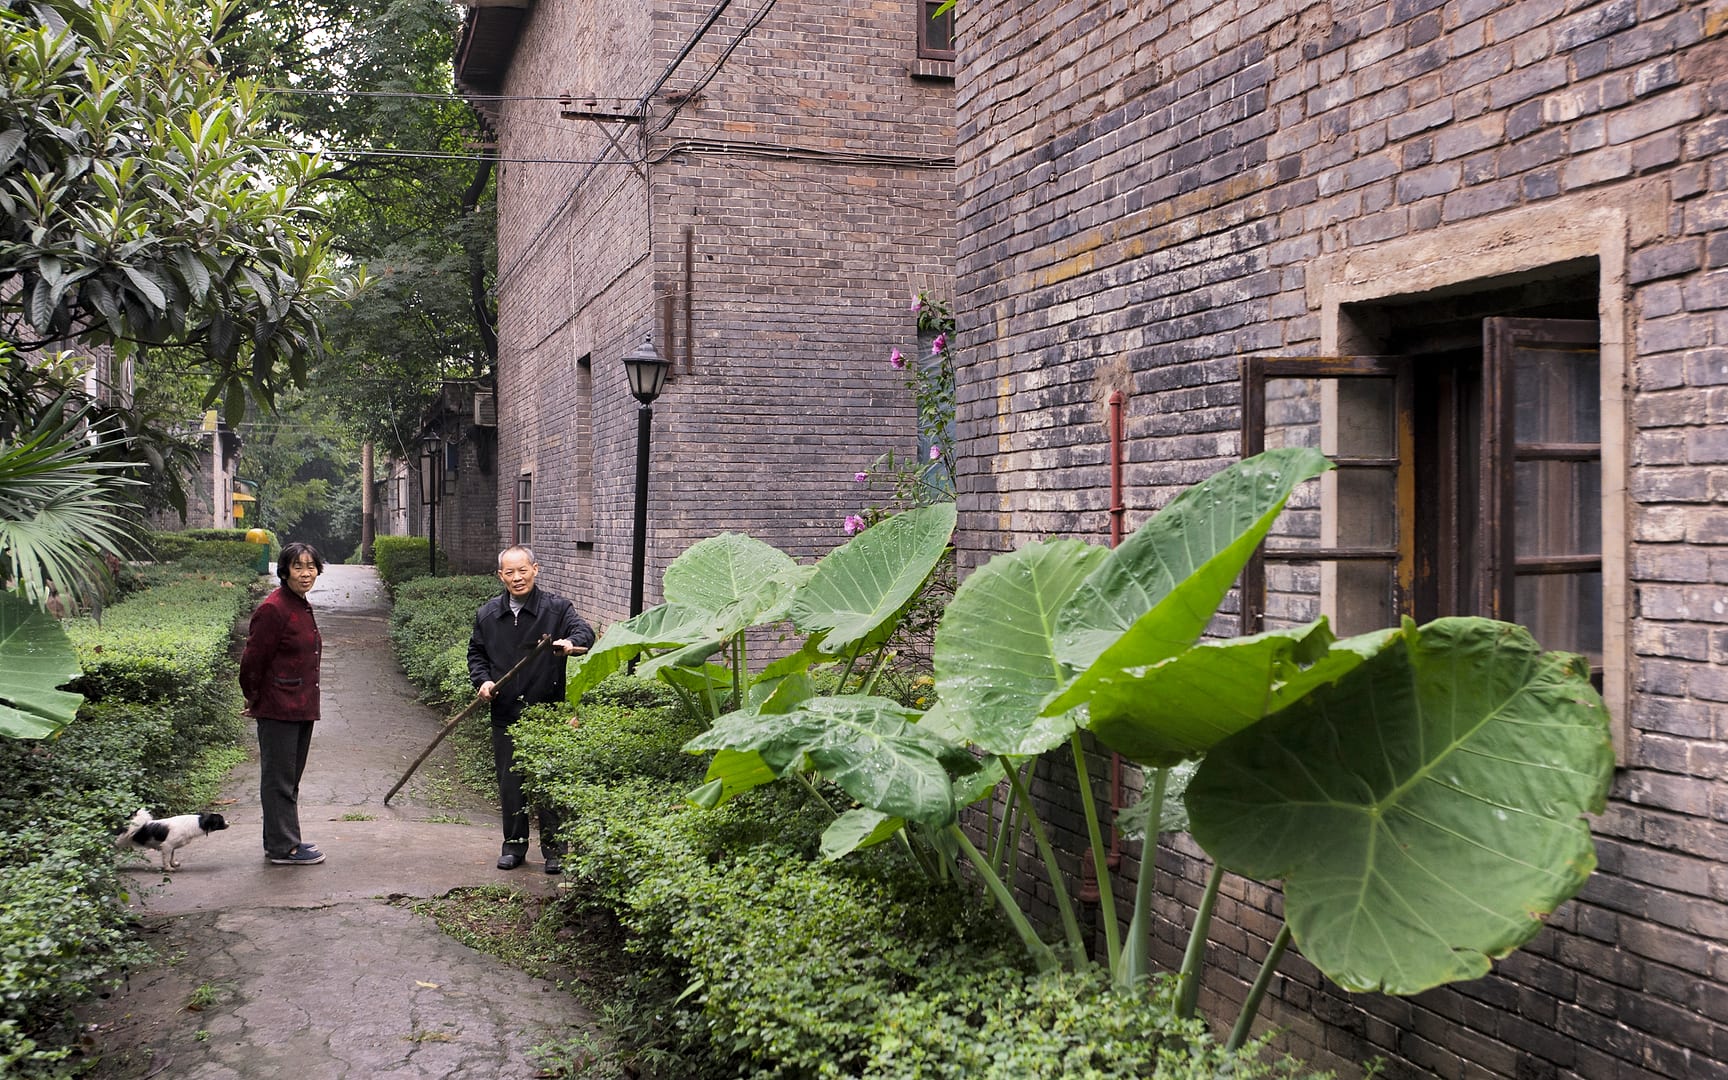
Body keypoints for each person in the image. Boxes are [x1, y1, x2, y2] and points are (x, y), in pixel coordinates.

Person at [467, 545, 594, 874]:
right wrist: (482, 682)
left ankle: (555, 851)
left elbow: (584, 633)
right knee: (511, 782)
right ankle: (514, 847)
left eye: (522, 570)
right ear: (500, 576)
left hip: (547, 714)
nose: (517, 577)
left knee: (548, 782)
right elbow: (477, 655)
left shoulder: (557, 609)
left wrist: (570, 643)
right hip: (506, 711)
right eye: (509, 572)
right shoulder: (488, 614)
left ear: (535, 570)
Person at [239, 542, 326, 866]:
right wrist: (254, 697)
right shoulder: (274, 608)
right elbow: (252, 661)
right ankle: (282, 848)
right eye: (298, 567)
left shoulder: (299, 604)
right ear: (285, 571)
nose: (306, 574)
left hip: (301, 705)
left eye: (311, 567)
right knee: (279, 779)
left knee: (289, 778)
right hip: (280, 708)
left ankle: (285, 840)